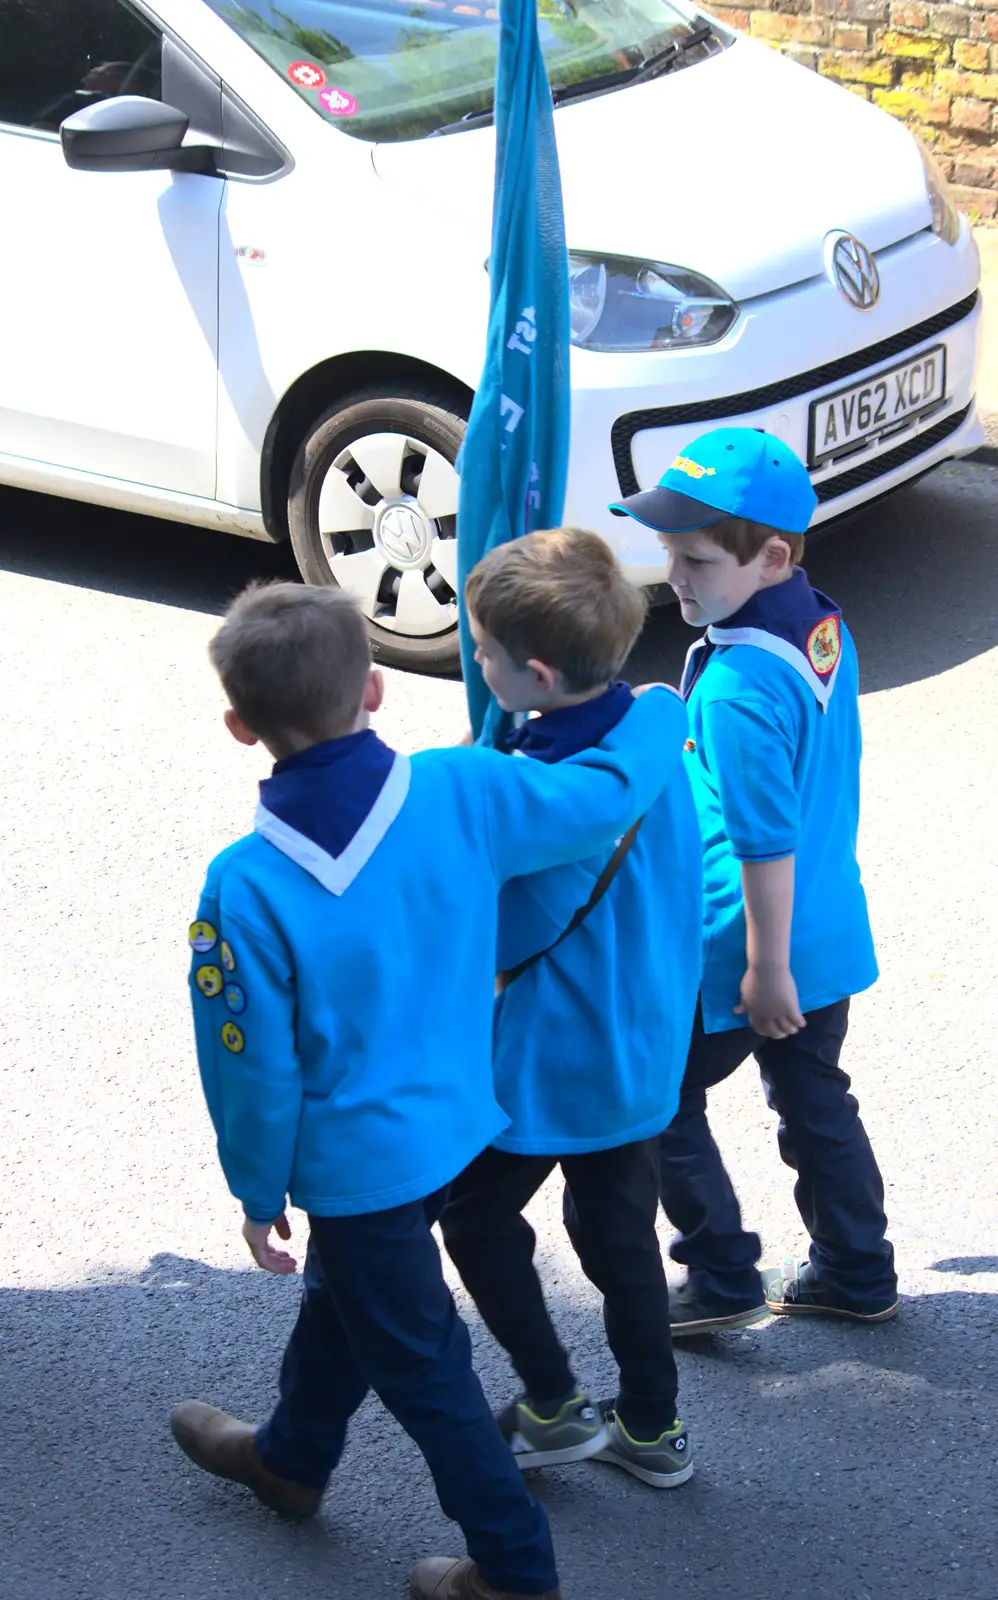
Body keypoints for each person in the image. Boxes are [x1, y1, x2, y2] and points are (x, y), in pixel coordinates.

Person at [169, 580, 682, 1600]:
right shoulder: (463, 789)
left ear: (239, 726)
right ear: (373, 690)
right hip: (456, 1124)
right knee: (356, 1292)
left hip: (354, 1164)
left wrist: (257, 1190)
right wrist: (660, 708)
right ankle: (290, 1457)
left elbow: (251, 1068)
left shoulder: (246, 883)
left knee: (426, 1367)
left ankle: (514, 1568)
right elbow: (600, 799)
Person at [609, 428, 898, 1335]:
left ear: (772, 555)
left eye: (693, 557)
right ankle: (857, 1267)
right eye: (667, 551)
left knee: (657, 1099)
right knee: (815, 1099)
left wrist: (763, 970)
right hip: (826, 926)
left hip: (740, 945)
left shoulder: (735, 684)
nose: (674, 575)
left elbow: (762, 839)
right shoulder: (820, 626)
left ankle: (723, 1272)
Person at [441, 529, 702, 1491]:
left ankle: (552, 1406)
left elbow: (498, 939)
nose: (476, 658)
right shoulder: (655, 730)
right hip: (643, 1046)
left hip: (553, 1063)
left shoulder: (548, 803)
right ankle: (653, 1427)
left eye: (486, 650)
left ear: (539, 673)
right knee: (619, 1240)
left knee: (472, 1218)